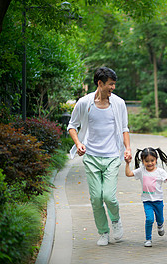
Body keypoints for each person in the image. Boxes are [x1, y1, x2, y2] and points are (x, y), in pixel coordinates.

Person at [67, 66, 132, 246]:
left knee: (109, 196)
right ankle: (103, 232)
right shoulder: (84, 103)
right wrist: (78, 143)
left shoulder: (118, 103)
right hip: (92, 156)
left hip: (112, 156)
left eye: (114, 85)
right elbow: (72, 126)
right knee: (96, 198)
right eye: (110, 84)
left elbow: (125, 128)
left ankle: (116, 220)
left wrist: (127, 148)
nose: (113, 88)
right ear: (100, 83)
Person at [125, 147, 167, 247]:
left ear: (156, 159)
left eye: (152, 160)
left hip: (158, 200)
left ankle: (160, 225)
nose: (150, 163)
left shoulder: (160, 172)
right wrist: (127, 163)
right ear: (142, 161)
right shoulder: (141, 171)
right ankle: (148, 239)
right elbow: (128, 174)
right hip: (147, 201)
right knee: (149, 219)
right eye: (146, 161)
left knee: (160, 219)